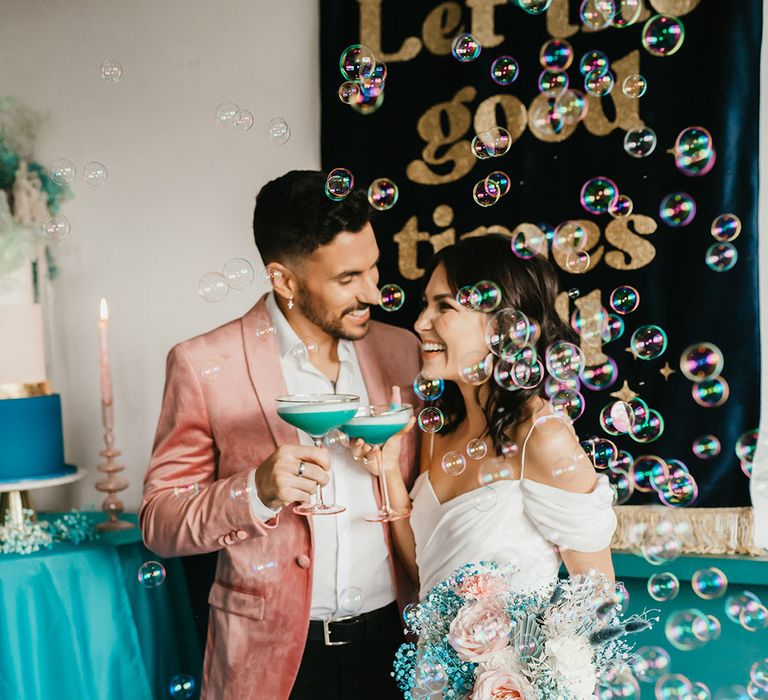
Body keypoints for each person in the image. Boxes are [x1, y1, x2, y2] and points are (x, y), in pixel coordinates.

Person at [139, 170, 421, 700]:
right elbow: (158, 520)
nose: (372, 293)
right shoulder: (203, 364)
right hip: (272, 660)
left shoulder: (402, 352)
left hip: (396, 644)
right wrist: (255, 491)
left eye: (373, 268)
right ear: (284, 280)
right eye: (347, 279)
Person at [354, 233, 617, 604]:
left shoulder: (542, 437)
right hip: (432, 660)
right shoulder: (438, 430)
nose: (420, 323)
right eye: (425, 305)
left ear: (506, 328)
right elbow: (424, 570)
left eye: (443, 307)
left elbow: (597, 598)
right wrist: (388, 473)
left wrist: (522, 660)